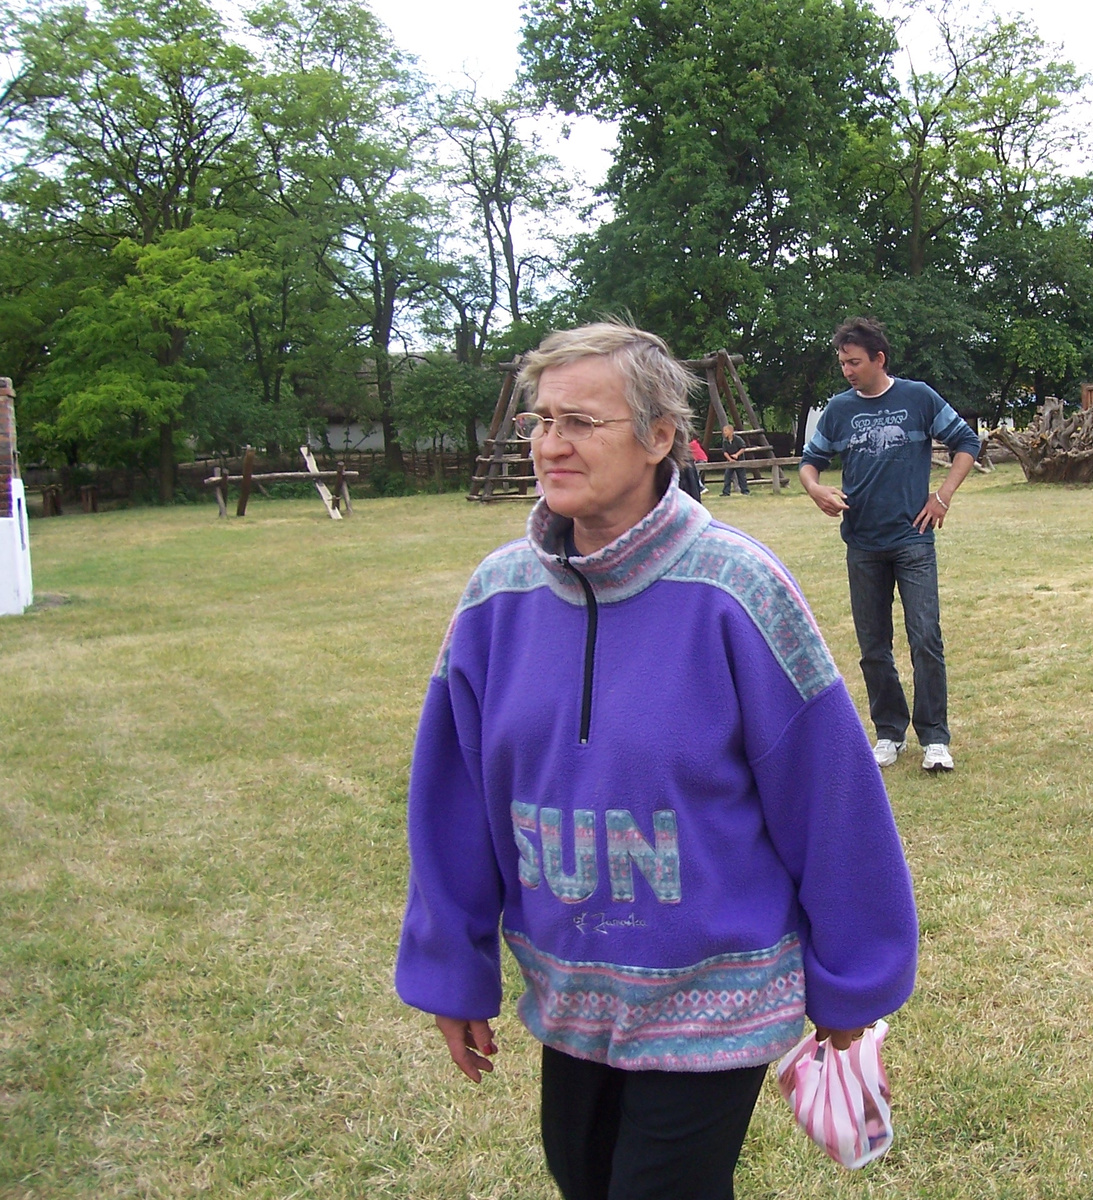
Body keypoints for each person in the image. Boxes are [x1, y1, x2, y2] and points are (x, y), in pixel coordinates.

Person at [396, 321, 919, 1200]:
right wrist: (454, 966)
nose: (551, 444)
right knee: (583, 1179)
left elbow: (830, 797)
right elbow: (450, 807)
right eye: (540, 420)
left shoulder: (737, 589)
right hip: (568, 991)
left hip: (719, 991)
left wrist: (855, 981)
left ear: (661, 436)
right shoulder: (495, 601)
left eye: (581, 422)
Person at [799, 316, 981, 773]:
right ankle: (889, 732)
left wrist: (942, 496)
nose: (847, 370)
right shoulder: (838, 409)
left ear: (879, 359)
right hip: (862, 543)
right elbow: (810, 463)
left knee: (925, 637)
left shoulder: (918, 397)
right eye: (842, 362)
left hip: (912, 539)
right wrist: (815, 489)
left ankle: (935, 738)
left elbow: (966, 442)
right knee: (873, 645)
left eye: (854, 361)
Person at [718, 423, 749, 495]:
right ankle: (726, 492)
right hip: (730, 461)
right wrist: (730, 459)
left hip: (739, 461)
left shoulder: (737, 439)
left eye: (725, 430)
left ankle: (745, 491)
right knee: (727, 476)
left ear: (731, 431)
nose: (724, 432)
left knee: (742, 476)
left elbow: (743, 447)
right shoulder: (725, 441)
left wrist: (737, 455)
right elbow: (725, 452)